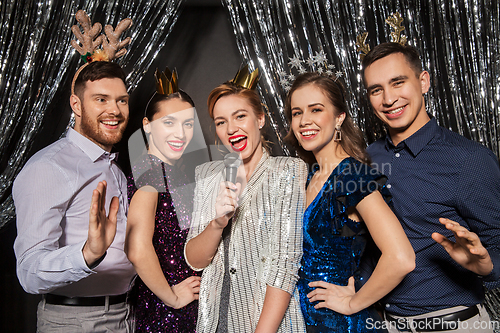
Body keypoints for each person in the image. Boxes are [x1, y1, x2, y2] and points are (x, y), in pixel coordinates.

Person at [362, 42, 500, 332]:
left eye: (398, 82)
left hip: (454, 325)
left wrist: (486, 266)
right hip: (385, 324)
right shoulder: (366, 159)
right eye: (376, 90)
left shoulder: (469, 160)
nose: (389, 99)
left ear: (423, 81)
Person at [284, 72, 415, 332]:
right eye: (296, 112)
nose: (304, 121)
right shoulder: (308, 176)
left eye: (316, 109)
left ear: (339, 118)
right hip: (304, 322)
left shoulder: (352, 177)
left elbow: (402, 259)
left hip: (340, 324)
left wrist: (353, 303)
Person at [13, 60, 136, 332]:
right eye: (101, 99)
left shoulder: (114, 168)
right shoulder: (49, 167)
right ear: (76, 105)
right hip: (74, 321)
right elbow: (29, 273)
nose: (114, 110)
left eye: (122, 100)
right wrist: (87, 254)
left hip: (126, 315)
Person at [184, 67, 307, 333]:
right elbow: (195, 260)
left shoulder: (288, 170)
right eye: (221, 121)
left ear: (260, 119)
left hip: (267, 324)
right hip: (214, 321)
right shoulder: (206, 175)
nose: (231, 129)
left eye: (240, 116)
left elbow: (285, 266)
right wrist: (217, 224)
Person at [125, 75, 201, 332]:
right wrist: (173, 297)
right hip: (165, 313)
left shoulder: (170, 173)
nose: (180, 133)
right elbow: (136, 249)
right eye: (169, 122)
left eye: (188, 124)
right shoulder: (150, 174)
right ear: (147, 125)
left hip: (183, 311)